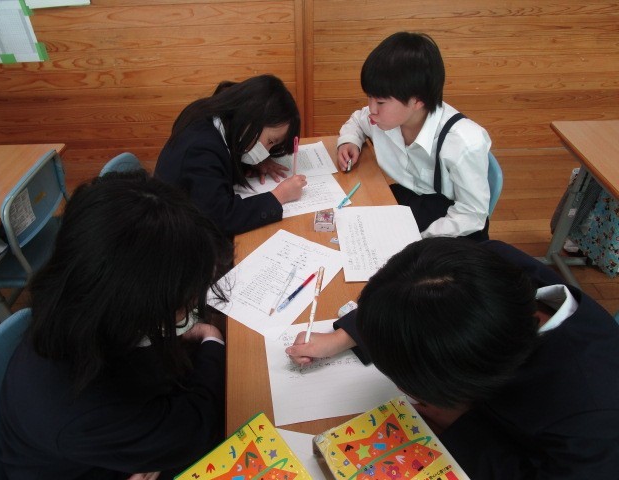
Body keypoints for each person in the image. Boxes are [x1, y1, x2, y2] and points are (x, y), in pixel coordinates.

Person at [286, 238, 619, 479]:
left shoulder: (592, 426)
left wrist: (462, 423)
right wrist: (347, 335)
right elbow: (413, 295)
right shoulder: (486, 263)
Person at [0, 171, 234, 480]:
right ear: (134, 306)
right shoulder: (83, 408)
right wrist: (213, 339)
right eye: (185, 300)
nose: (193, 306)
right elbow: (192, 429)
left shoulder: (81, 305)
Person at [337, 32, 492, 240]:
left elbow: (471, 215)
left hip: (454, 228)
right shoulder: (385, 118)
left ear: (417, 101)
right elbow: (357, 120)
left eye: (380, 102)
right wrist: (349, 141)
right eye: (369, 97)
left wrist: (418, 241)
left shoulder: (462, 142)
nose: (372, 108)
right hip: (413, 201)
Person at [155, 74, 307, 238]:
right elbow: (221, 218)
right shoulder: (201, 151)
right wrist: (279, 195)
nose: (267, 151)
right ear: (251, 119)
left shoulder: (209, 115)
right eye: (270, 141)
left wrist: (253, 162)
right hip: (178, 237)